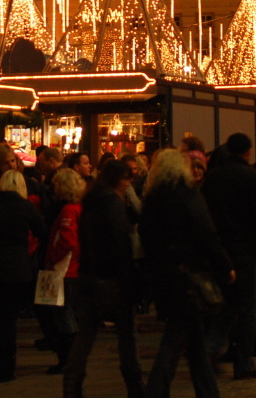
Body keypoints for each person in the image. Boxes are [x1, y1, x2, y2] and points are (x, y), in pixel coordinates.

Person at [140, 148, 234, 398]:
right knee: (176, 338)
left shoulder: (153, 198)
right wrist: (224, 265)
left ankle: (208, 390)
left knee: (193, 340)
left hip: (165, 274)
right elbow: (206, 235)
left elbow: (145, 237)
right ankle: (156, 390)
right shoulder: (188, 196)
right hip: (189, 275)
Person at [63, 158, 145, 398]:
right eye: (128, 178)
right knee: (127, 339)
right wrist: (129, 280)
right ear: (118, 180)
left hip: (89, 277)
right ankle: (135, 386)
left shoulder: (91, 203)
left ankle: (71, 385)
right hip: (112, 280)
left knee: (85, 336)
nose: (130, 183)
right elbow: (120, 246)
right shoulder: (112, 205)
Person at [202, 132, 256, 380]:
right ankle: (244, 362)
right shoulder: (252, 177)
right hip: (247, 250)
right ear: (248, 151)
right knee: (248, 308)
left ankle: (210, 349)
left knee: (226, 304)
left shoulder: (214, 178)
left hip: (222, 248)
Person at [0, 168, 46, 382]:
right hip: (15, 270)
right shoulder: (25, 206)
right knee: (7, 321)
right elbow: (42, 230)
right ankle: (6, 369)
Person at [44, 168, 86, 374]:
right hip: (74, 268)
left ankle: (67, 359)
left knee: (63, 313)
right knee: (67, 312)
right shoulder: (79, 207)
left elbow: (68, 240)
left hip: (64, 269)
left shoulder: (68, 210)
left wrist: (52, 257)